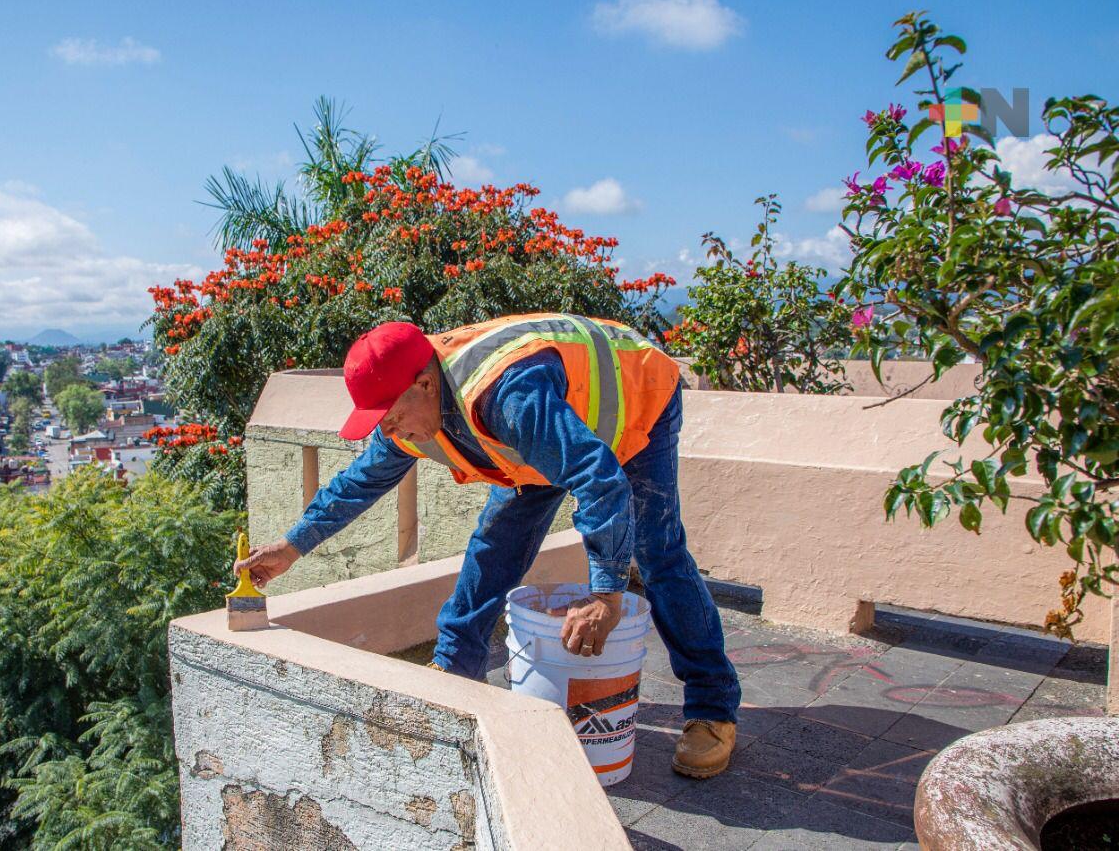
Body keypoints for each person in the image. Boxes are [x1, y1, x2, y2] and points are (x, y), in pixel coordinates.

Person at [235, 313, 742, 778]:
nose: (386, 429)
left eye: (389, 414)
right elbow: (357, 484)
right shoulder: (412, 411)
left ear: (425, 384)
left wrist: (607, 595)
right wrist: (291, 547)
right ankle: (454, 674)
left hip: (638, 400)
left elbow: (599, 477)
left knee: (657, 553)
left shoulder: (507, 396)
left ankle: (712, 707)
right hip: (545, 436)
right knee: (493, 546)